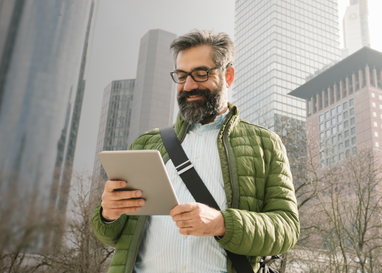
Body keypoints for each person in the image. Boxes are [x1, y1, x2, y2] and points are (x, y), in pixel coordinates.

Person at [91, 29, 299, 273]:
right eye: (181, 75)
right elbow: (110, 235)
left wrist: (221, 224)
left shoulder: (265, 144)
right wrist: (108, 214)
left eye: (201, 73)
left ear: (228, 75)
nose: (188, 85)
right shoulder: (146, 143)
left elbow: (287, 229)